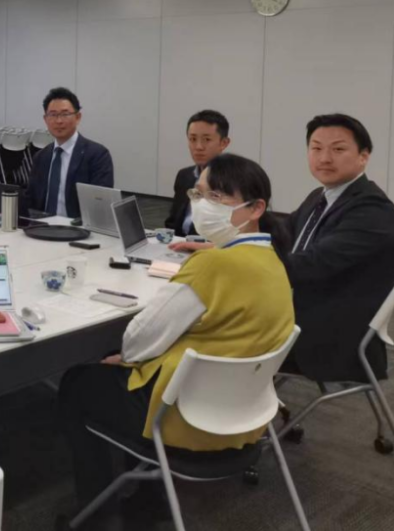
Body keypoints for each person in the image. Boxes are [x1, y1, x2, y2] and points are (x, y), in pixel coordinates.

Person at [58, 154, 293, 524]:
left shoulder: (213, 264)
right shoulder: (273, 261)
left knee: (77, 382)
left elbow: (138, 339)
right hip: (245, 415)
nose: (202, 205)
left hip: (186, 417)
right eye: (198, 194)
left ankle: (96, 517)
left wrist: (129, 358)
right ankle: (148, 501)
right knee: (123, 366)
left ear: (256, 208)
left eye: (216, 197)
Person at [282, 114, 394, 383]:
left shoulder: (372, 210)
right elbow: (283, 233)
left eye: (338, 149)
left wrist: (244, 262)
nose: (324, 158)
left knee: (222, 332)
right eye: (316, 148)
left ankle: (240, 402)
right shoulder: (321, 196)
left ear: (363, 156)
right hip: (308, 308)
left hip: (334, 333)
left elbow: (312, 263)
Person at [24, 87, 113, 219]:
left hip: (77, 226)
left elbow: (99, 205)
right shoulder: (41, 157)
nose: (59, 121)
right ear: (45, 119)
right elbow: (31, 199)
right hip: (41, 225)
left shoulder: (97, 155)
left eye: (65, 114)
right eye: (53, 115)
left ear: (78, 117)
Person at [166, 110, 231, 237]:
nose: (198, 147)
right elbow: (172, 222)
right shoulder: (184, 175)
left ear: (224, 143)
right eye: (193, 139)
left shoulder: (235, 181)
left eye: (207, 139)